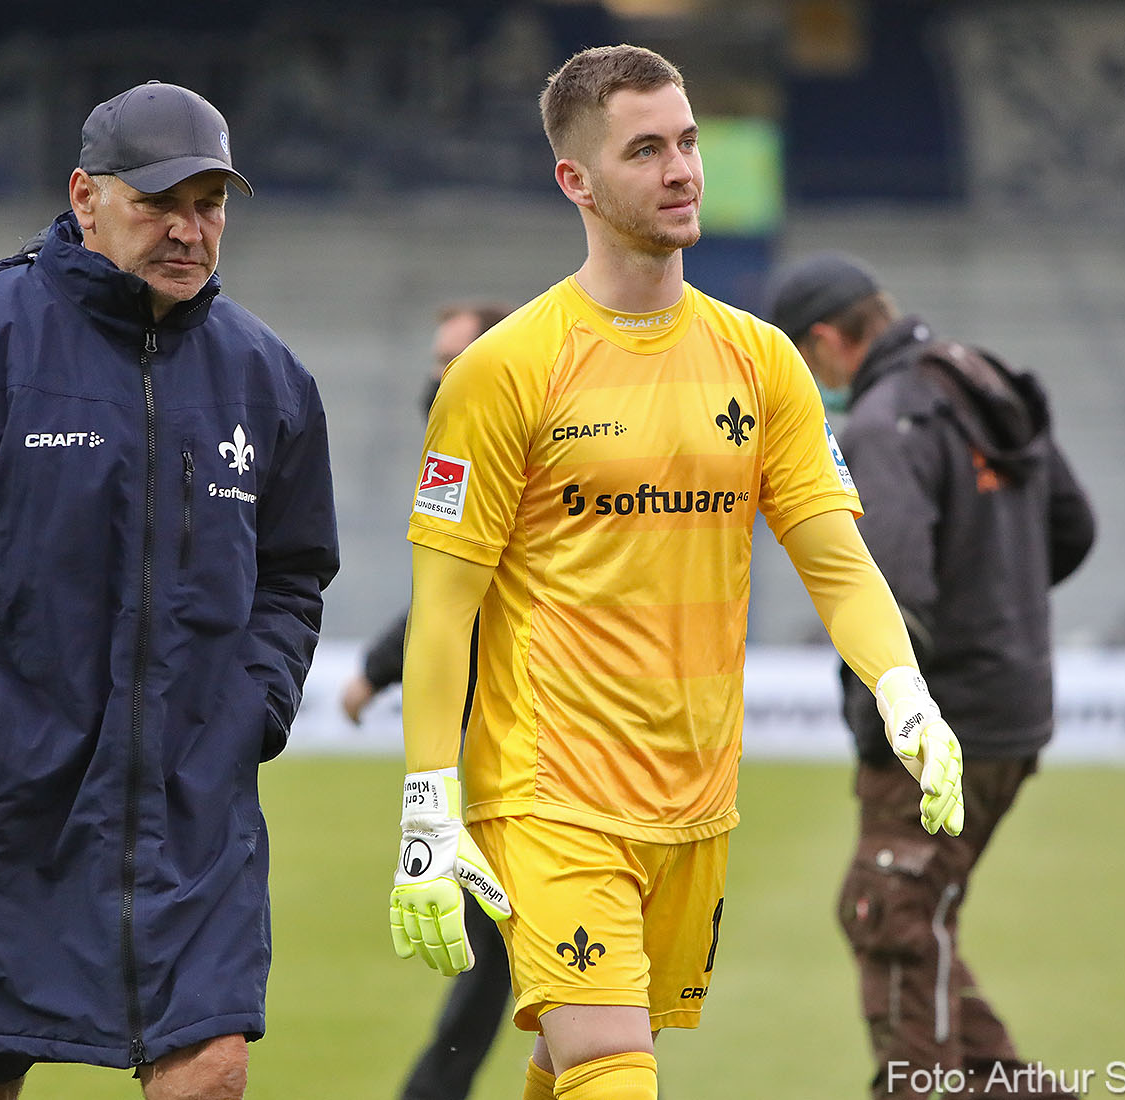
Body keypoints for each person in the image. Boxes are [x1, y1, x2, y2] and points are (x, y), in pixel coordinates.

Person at [386, 45, 964, 1100]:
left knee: (577, 1065)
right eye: (646, 148)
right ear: (577, 180)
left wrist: (905, 691)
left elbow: (836, 561)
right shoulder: (505, 369)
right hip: (550, 792)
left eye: (688, 141)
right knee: (617, 1072)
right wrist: (431, 801)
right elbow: (444, 604)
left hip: (696, 797)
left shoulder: (763, 361)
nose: (682, 168)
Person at [0, 81, 339, 1100]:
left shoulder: (269, 379)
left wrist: (254, 703)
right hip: (1, 810)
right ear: (85, 197)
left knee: (209, 1070)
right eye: (160, 200)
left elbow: (295, 570)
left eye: (210, 203)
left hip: (191, 810)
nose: (189, 227)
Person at [765, 252, 1095, 1100]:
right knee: (908, 914)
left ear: (828, 342)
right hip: (1017, 708)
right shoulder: (981, 382)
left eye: (803, 363)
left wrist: (883, 724)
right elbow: (1075, 528)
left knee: (893, 918)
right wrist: (1000, 607)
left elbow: (891, 588)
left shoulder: (882, 423)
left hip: (941, 724)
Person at [339, 300, 516, 1100]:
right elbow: (444, 594)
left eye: (454, 359)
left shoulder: (511, 441)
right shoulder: (461, 439)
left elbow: (457, 595)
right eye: (437, 361)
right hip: (504, 756)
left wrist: (377, 667)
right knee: (505, 959)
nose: (436, 376)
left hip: (554, 744)